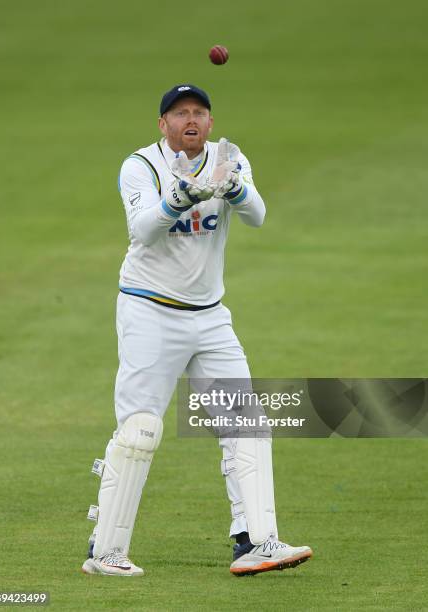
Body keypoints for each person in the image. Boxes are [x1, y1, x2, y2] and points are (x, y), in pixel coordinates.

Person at [82, 84, 312, 577]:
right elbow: (142, 228)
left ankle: (256, 542)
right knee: (140, 430)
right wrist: (179, 197)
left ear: (209, 123)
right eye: (179, 113)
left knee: (246, 423)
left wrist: (234, 188)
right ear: (162, 124)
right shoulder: (141, 166)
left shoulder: (229, 157)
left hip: (210, 316)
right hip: (150, 311)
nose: (191, 120)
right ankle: (105, 552)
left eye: (199, 113)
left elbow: (258, 215)